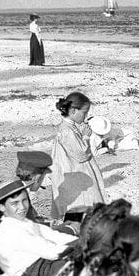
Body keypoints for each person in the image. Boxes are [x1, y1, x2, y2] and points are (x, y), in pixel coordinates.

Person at [50, 92, 107, 223]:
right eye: (84, 112)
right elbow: (81, 155)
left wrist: (82, 132)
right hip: (72, 172)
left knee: (79, 205)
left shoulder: (69, 127)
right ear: (73, 110)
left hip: (72, 171)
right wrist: (86, 137)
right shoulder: (66, 130)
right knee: (76, 205)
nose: (85, 116)